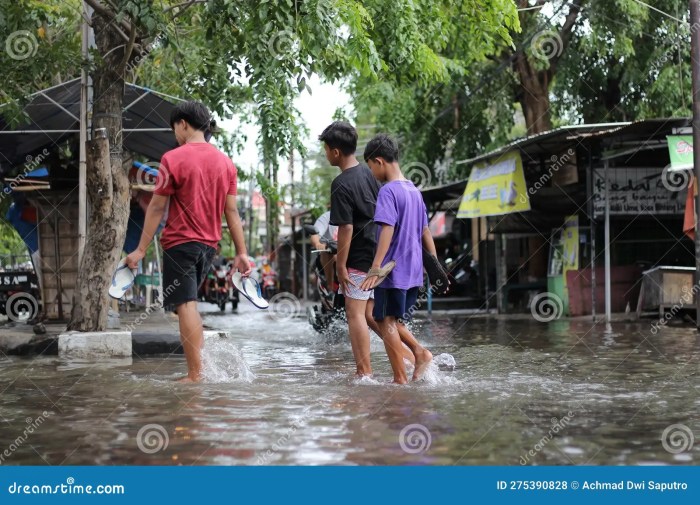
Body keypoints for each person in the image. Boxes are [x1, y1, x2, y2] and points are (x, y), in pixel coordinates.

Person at [126, 101, 251, 383]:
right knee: (188, 303)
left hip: (180, 243)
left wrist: (140, 249)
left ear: (183, 123)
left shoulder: (173, 158)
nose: (175, 135)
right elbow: (231, 212)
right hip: (208, 247)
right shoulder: (226, 163)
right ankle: (199, 370)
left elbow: (157, 208)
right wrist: (242, 253)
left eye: (175, 128)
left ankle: (196, 374)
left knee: (186, 305)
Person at [320, 121, 414, 377]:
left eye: (326, 149)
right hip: (380, 253)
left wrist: (340, 264)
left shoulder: (341, 183)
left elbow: (346, 228)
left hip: (360, 256)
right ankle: (413, 356)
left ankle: (364, 372)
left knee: (354, 314)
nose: (326, 154)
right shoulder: (371, 173)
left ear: (335, 152)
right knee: (376, 315)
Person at [360, 133, 434, 383]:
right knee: (388, 318)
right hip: (413, 271)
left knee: (385, 321)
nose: (372, 173)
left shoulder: (388, 192)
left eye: (371, 167)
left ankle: (400, 378)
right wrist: (434, 264)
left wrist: (376, 267)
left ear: (379, 161)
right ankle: (419, 354)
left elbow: (387, 229)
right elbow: (425, 231)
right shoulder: (414, 191)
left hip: (392, 270)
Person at [309, 210, 338, 296]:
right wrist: (318, 244)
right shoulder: (327, 217)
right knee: (328, 253)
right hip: (330, 253)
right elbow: (315, 235)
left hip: (352, 257)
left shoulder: (356, 217)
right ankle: (330, 287)